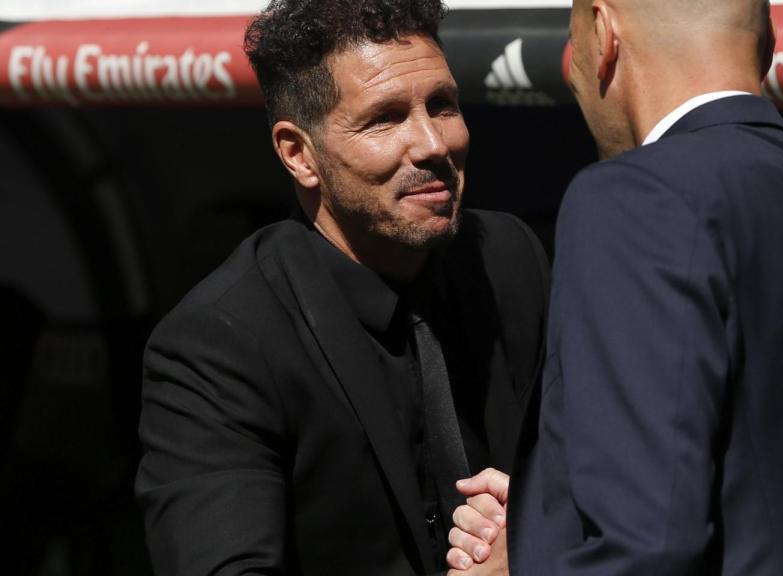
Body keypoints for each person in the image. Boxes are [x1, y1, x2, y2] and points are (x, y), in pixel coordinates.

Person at [446, 0, 783, 574]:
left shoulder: (636, 198)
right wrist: (548, 522)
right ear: (770, 44)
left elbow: (646, 547)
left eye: (573, 42)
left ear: (604, 35)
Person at [134, 1, 549, 575]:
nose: (432, 143)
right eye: (385, 118)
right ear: (298, 154)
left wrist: (538, 533)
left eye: (443, 105)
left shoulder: (509, 258)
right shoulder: (221, 342)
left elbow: (612, 475)